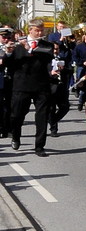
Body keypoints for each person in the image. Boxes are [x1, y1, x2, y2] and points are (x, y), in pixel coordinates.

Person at [4, 19, 55, 157]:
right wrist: (8, 52)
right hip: (21, 85)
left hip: (41, 86)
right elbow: (9, 64)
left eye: (41, 30)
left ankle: (39, 146)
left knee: (42, 117)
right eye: (37, 30)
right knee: (16, 115)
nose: (40, 33)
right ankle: (15, 136)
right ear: (30, 30)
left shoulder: (47, 46)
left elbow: (46, 58)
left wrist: (29, 48)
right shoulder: (17, 45)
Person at [47, 42, 72, 137]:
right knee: (51, 109)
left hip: (62, 87)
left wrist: (63, 69)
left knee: (65, 107)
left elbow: (70, 70)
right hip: (51, 87)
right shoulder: (46, 60)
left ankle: (52, 120)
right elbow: (41, 72)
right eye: (53, 49)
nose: (55, 51)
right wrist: (50, 73)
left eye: (57, 49)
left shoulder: (63, 59)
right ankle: (54, 129)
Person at [0, 27, 15, 138]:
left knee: (11, 106)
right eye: (4, 37)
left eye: (8, 38)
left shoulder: (15, 48)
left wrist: (10, 53)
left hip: (11, 80)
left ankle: (9, 129)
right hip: (0, 79)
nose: (6, 40)